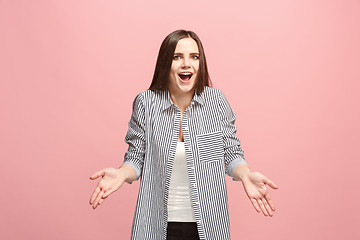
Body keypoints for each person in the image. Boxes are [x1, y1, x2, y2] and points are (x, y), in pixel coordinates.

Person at [89, 29, 278, 240]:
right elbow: (136, 158)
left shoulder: (216, 102)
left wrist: (246, 175)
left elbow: (231, 153)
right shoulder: (146, 103)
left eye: (194, 57)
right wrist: (122, 174)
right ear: (165, 62)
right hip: (156, 224)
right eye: (177, 57)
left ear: (201, 63)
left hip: (208, 224)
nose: (186, 64)